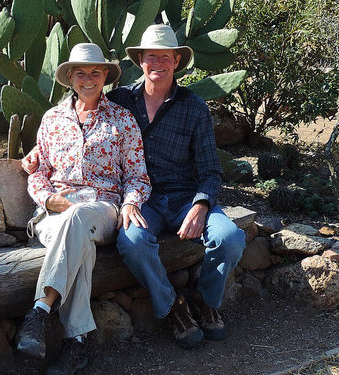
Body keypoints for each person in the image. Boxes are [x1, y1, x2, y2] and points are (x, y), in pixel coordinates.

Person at [22, 24, 246, 350]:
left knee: (230, 238)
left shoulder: (186, 108)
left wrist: (200, 205)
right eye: (151, 56)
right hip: (141, 202)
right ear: (140, 60)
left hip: (177, 198)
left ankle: (206, 300)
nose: (157, 63)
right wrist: (38, 173)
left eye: (165, 57)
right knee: (129, 240)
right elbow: (51, 150)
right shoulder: (114, 102)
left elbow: (210, 171)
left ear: (176, 61)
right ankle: (167, 309)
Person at [18, 43, 151, 375]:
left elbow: (138, 176)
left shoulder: (122, 119)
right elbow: (39, 173)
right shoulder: (52, 119)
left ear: (105, 75)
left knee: (78, 218)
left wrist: (131, 202)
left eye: (95, 72)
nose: (88, 79)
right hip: (53, 215)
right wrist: (48, 200)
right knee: (81, 248)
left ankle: (40, 310)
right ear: (70, 78)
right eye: (81, 73)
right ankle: (77, 345)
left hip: (101, 209)